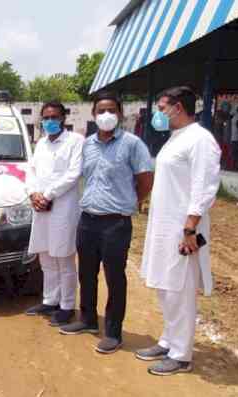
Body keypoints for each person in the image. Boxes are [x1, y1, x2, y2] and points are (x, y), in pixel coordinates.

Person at [59, 91, 154, 355]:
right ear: (93, 115)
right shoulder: (86, 145)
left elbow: (146, 179)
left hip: (116, 224)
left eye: (111, 110)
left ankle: (113, 332)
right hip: (87, 220)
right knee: (86, 273)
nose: (106, 115)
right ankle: (88, 320)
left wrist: (130, 202)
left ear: (120, 114)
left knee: (115, 277)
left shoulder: (133, 144)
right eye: (100, 111)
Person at [138, 86, 221, 375]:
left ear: (178, 107)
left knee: (180, 289)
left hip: (181, 227)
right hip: (162, 224)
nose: (158, 114)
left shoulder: (200, 140)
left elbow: (204, 187)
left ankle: (182, 355)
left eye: (162, 108)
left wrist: (190, 228)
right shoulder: (175, 139)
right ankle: (169, 340)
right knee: (165, 286)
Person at [24, 101, 84, 328]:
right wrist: (33, 193)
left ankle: (67, 306)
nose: (50, 121)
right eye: (46, 117)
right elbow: (31, 171)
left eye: (55, 117)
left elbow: (73, 174)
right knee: (46, 257)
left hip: (63, 208)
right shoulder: (40, 144)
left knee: (64, 258)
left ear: (63, 118)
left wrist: (47, 194)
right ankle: (50, 300)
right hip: (40, 207)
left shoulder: (75, 142)